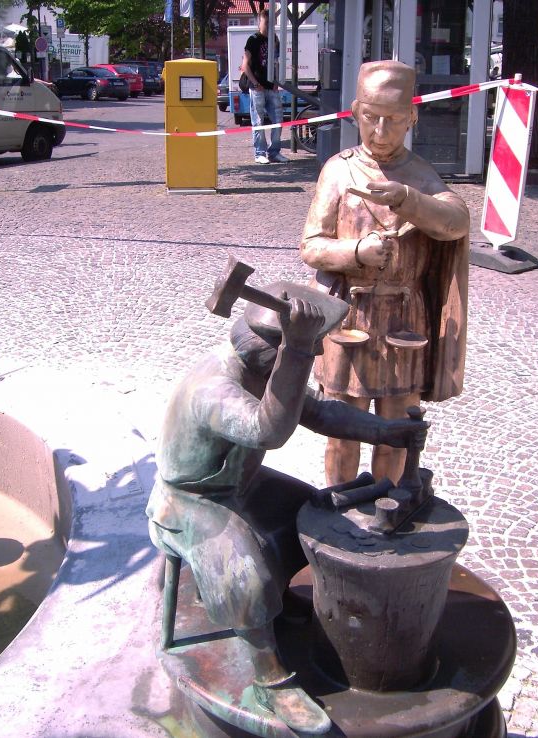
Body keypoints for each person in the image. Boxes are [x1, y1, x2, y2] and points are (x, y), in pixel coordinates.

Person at [146, 281, 427, 734]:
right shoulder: (214, 388)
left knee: (309, 514)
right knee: (245, 574)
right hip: (190, 499)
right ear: (272, 350)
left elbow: (319, 411)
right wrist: (296, 349)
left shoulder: (259, 372)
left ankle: (277, 599)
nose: (311, 358)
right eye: (307, 352)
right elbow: (268, 431)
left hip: (240, 484)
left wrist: (386, 431)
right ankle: (270, 676)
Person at [300, 60, 471, 487]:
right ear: (355, 112)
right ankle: (337, 503)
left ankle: (386, 505)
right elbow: (311, 246)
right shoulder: (338, 170)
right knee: (343, 432)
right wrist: (357, 251)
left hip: (405, 323)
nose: (380, 130)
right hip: (348, 318)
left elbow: (456, 221)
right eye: (371, 117)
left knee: (396, 434)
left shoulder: (421, 177)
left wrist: (407, 199)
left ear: (412, 116)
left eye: (393, 119)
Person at [241, 9, 288, 164]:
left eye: (272, 23)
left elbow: (276, 62)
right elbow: (245, 65)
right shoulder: (253, 40)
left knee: (278, 119)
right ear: (259, 23)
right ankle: (260, 153)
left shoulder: (274, 39)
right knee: (258, 121)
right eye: (266, 23)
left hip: (271, 86)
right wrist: (255, 83)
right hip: (257, 87)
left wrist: (276, 82)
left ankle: (274, 152)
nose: (269, 26)